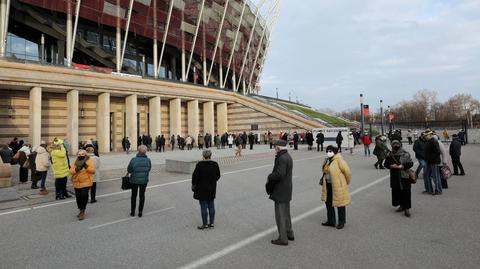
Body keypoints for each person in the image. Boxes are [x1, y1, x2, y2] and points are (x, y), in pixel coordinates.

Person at [266, 140, 294, 246]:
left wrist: (270, 176)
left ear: (279, 147)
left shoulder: (281, 158)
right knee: (286, 213)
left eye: (275, 147)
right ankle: (289, 233)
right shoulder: (287, 156)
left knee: (280, 215)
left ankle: (283, 238)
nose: (274, 149)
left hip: (281, 189)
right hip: (287, 188)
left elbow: (280, 174)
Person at [320, 145, 351, 229]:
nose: (328, 153)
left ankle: (341, 222)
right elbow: (325, 171)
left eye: (330, 151)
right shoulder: (327, 160)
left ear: (335, 152)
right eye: (327, 151)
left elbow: (347, 172)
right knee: (328, 202)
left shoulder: (339, 160)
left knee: (340, 203)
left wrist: (345, 182)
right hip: (328, 185)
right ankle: (331, 221)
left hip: (338, 185)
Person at [192, 150, 221, 229]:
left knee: (203, 206)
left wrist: (194, 185)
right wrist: (213, 181)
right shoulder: (215, 164)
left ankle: (205, 224)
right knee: (211, 205)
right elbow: (218, 175)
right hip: (212, 188)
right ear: (210, 156)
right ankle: (211, 223)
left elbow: (195, 177)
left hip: (201, 189)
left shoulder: (199, 165)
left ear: (203, 156)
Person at [384, 140, 414, 217]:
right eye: (394, 144)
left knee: (406, 192)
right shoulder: (390, 154)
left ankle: (407, 208)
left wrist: (403, 166)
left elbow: (411, 163)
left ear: (400, 145)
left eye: (397, 144)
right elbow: (386, 164)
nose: (396, 145)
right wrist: (391, 166)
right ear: (391, 145)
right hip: (395, 176)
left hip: (404, 176)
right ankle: (401, 206)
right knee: (397, 191)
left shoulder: (405, 154)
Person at [70, 149, 95, 220]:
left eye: (82, 154)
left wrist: (86, 166)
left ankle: (82, 211)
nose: (80, 156)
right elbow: (71, 171)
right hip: (76, 182)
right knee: (78, 197)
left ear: (85, 155)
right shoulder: (75, 162)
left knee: (84, 195)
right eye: (79, 154)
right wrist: (76, 170)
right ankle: (80, 209)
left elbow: (93, 171)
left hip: (86, 182)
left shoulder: (89, 161)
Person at [127, 145, 152, 217]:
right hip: (144, 180)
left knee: (133, 196)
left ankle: (132, 211)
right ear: (145, 152)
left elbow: (129, 169)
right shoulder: (148, 160)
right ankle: (140, 212)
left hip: (134, 180)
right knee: (142, 195)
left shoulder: (133, 160)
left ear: (138, 151)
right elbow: (149, 169)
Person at [424, 131, 442, 195]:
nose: (425, 136)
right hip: (429, 161)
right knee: (427, 175)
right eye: (425, 135)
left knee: (435, 176)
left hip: (434, 162)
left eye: (426, 135)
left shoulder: (434, 141)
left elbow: (437, 152)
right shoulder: (428, 141)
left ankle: (438, 190)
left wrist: (430, 158)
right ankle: (430, 189)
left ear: (430, 135)